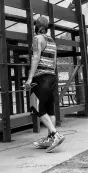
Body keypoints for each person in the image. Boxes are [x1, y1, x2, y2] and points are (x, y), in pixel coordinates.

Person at [23, 16, 65, 153]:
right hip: (52, 76)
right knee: (49, 109)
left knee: (36, 107)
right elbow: (53, 61)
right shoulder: (52, 41)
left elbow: (36, 57)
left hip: (40, 77)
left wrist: (30, 79)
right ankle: (50, 138)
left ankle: (55, 134)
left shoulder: (37, 39)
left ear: (38, 27)